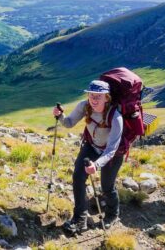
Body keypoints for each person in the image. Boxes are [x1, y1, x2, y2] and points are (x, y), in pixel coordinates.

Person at [53, 80, 123, 234]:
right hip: (91, 146)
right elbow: (69, 123)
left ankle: (112, 215)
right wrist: (61, 116)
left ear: (107, 97)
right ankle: (80, 219)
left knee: (107, 186)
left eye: (98, 96)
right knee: (78, 177)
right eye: (91, 95)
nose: (94, 99)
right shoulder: (84, 106)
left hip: (113, 154)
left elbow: (111, 149)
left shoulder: (115, 117)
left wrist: (96, 165)